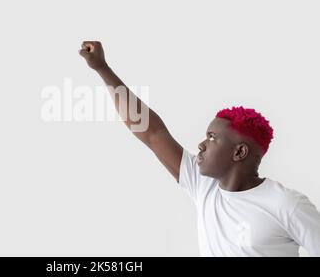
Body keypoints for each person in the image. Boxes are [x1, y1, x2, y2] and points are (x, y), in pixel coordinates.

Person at [78, 41, 320, 257]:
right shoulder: (205, 186)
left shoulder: (287, 205)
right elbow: (152, 133)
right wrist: (102, 69)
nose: (201, 145)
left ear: (239, 153)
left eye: (212, 138)